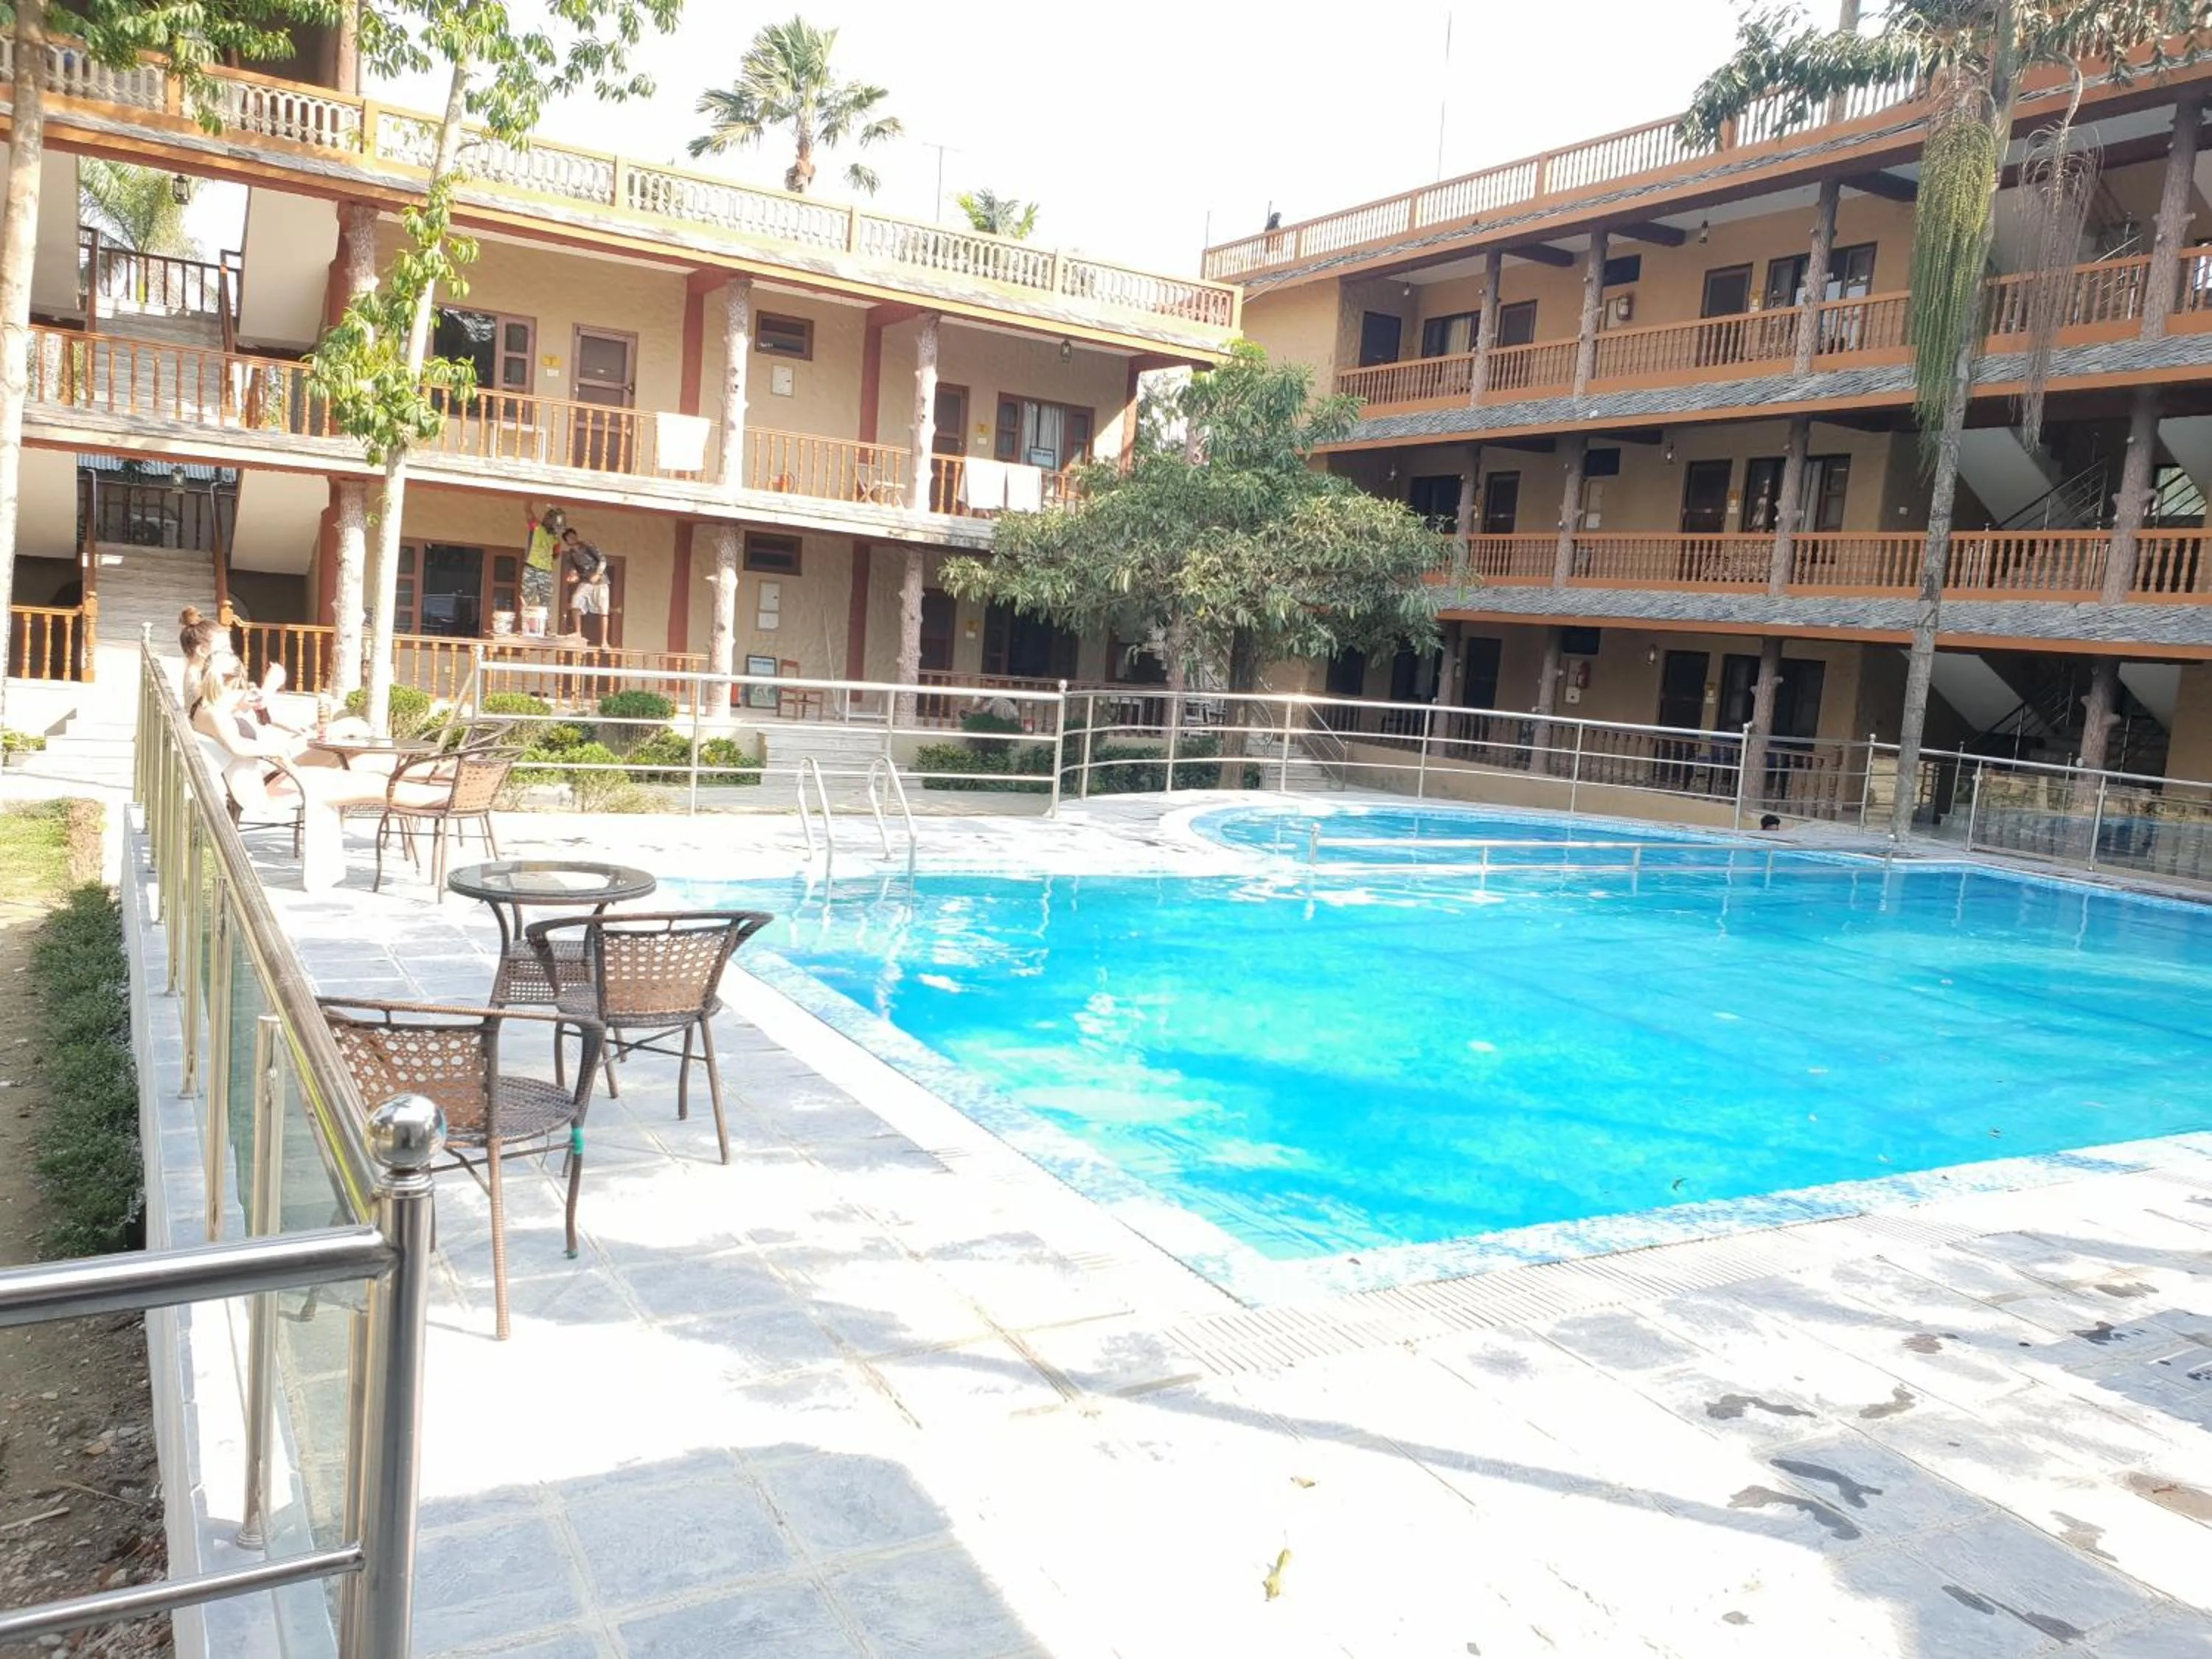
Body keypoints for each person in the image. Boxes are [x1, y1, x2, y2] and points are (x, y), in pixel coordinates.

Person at [562, 528, 611, 649]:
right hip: (586, 581)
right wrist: (573, 577)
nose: (572, 539)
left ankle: (604, 641)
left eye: (573, 536)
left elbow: (603, 560)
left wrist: (598, 574)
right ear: (566, 541)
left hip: (601, 581)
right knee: (576, 599)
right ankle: (578, 632)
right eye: (569, 538)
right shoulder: (570, 555)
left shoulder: (588, 546)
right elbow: (574, 572)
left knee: (604, 610)